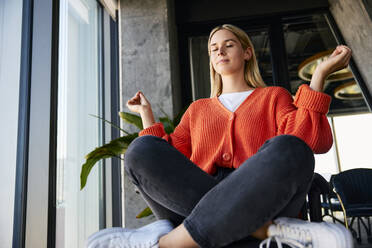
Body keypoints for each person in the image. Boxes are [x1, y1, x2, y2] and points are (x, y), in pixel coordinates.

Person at [86, 24, 353, 248]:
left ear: (247, 52)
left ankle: (165, 243)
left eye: (229, 44)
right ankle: (267, 230)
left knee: (291, 147)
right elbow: (168, 160)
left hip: (262, 196)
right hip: (198, 200)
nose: (220, 51)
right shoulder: (197, 110)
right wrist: (146, 115)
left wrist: (319, 75)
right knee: (140, 150)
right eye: (213, 48)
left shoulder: (274, 96)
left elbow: (310, 141)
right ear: (211, 60)